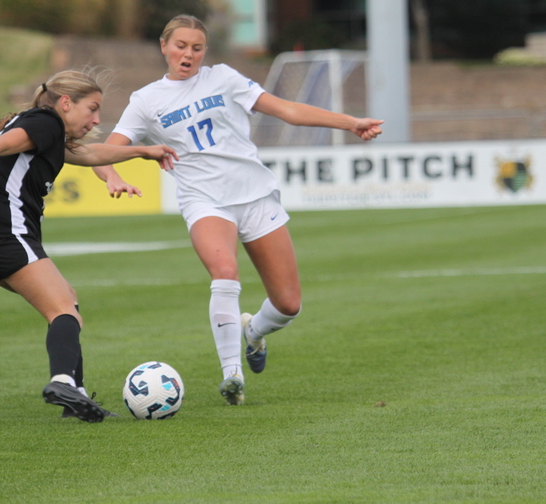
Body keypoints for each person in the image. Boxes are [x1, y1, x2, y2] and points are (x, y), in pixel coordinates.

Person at [93, 15, 383, 406]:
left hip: (256, 195)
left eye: (196, 48)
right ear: (164, 46)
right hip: (205, 201)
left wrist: (350, 123)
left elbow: (286, 110)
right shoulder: (147, 101)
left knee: (288, 304)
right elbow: (104, 151)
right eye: (180, 45)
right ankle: (232, 374)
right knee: (225, 273)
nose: (188, 54)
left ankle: (253, 332)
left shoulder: (224, 78)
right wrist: (109, 176)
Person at [0, 70, 178, 422]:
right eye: (91, 109)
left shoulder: (45, 130)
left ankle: (72, 401)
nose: (95, 119)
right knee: (62, 308)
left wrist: (142, 151)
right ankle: (64, 383)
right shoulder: (46, 122)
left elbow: (89, 154)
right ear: (65, 103)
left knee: (66, 298)